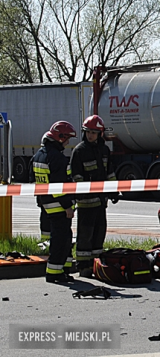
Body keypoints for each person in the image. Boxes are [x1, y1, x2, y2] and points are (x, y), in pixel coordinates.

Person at [70, 115, 118, 277]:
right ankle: (83, 266)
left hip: (101, 201)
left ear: (100, 133)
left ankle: (96, 264)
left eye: (94, 132)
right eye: (88, 132)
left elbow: (109, 172)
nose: (90, 135)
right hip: (86, 202)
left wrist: (113, 190)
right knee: (86, 234)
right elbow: (75, 175)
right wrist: (83, 193)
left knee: (99, 233)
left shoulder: (104, 150)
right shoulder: (79, 151)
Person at [32, 121, 77, 283]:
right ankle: (54, 272)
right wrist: (67, 206)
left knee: (64, 237)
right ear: (60, 137)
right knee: (61, 240)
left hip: (46, 203)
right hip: (58, 205)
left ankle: (62, 269)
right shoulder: (57, 158)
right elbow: (59, 186)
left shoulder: (39, 155)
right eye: (67, 139)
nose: (67, 142)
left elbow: (36, 181)